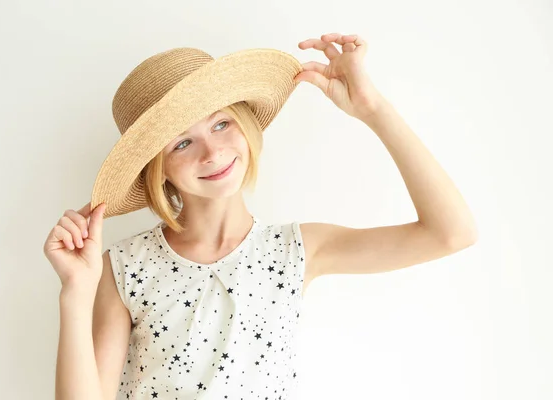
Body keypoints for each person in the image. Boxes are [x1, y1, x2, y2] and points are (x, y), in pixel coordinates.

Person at [43, 33, 478, 400]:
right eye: (181, 143)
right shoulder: (125, 268)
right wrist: (75, 293)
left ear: (246, 126)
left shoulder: (297, 250)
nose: (212, 152)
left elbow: (451, 233)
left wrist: (371, 107)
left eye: (220, 125)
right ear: (157, 169)